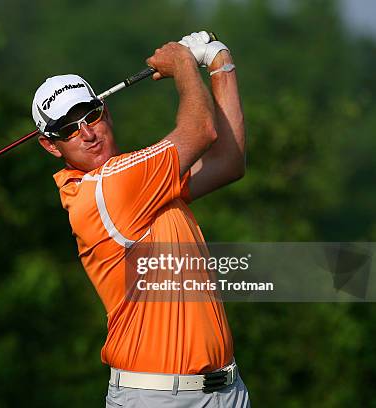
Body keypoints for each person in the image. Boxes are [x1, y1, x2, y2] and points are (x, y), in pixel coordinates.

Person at [32, 31, 249, 407]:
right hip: (157, 397)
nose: (86, 133)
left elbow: (228, 163)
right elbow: (201, 131)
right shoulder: (107, 188)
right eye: (68, 128)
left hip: (225, 391)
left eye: (90, 114)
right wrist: (182, 62)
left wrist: (219, 63)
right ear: (51, 145)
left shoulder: (140, 180)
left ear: (105, 110)